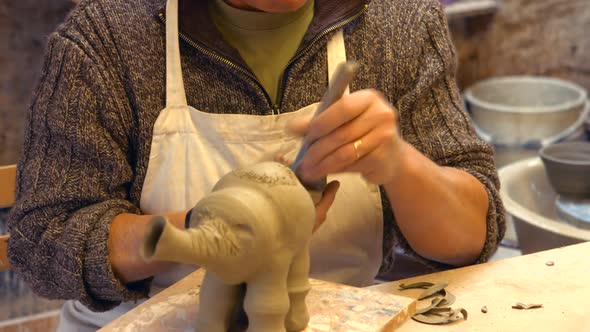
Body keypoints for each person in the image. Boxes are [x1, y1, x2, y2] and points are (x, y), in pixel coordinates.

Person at [7, 0, 505, 329]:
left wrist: (400, 164)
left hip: (335, 317)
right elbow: (43, 243)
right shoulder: (109, 35)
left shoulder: (398, 22)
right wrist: (210, 231)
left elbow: (471, 237)